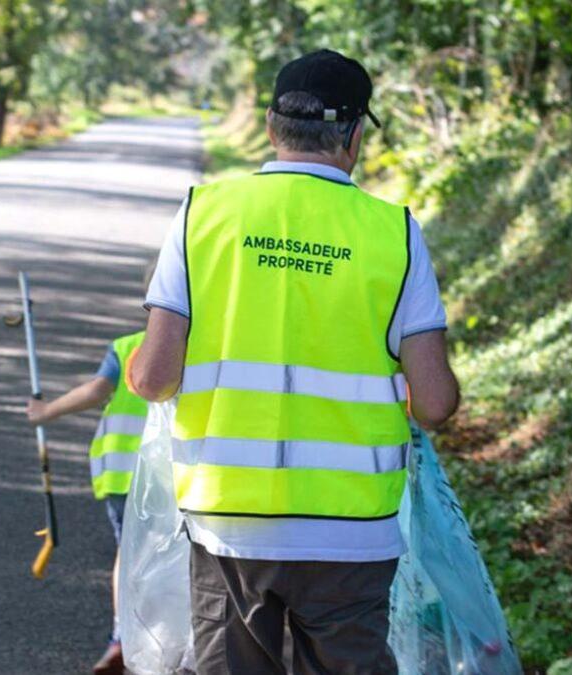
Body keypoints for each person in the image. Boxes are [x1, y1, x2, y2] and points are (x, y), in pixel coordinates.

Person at [130, 49, 459, 674]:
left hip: (230, 523)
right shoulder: (395, 233)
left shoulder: (204, 213)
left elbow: (153, 378)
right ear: (355, 135)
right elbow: (436, 403)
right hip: (352, 530)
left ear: (269, 126)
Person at [26, 304, 150, 674]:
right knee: (175, 557)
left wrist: (47, 412)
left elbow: (98, 390)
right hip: (173, 478)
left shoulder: (128, 346)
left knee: (127, 554)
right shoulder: (206, 346)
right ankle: (169, 639)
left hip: (122, 472)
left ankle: (122, 637)